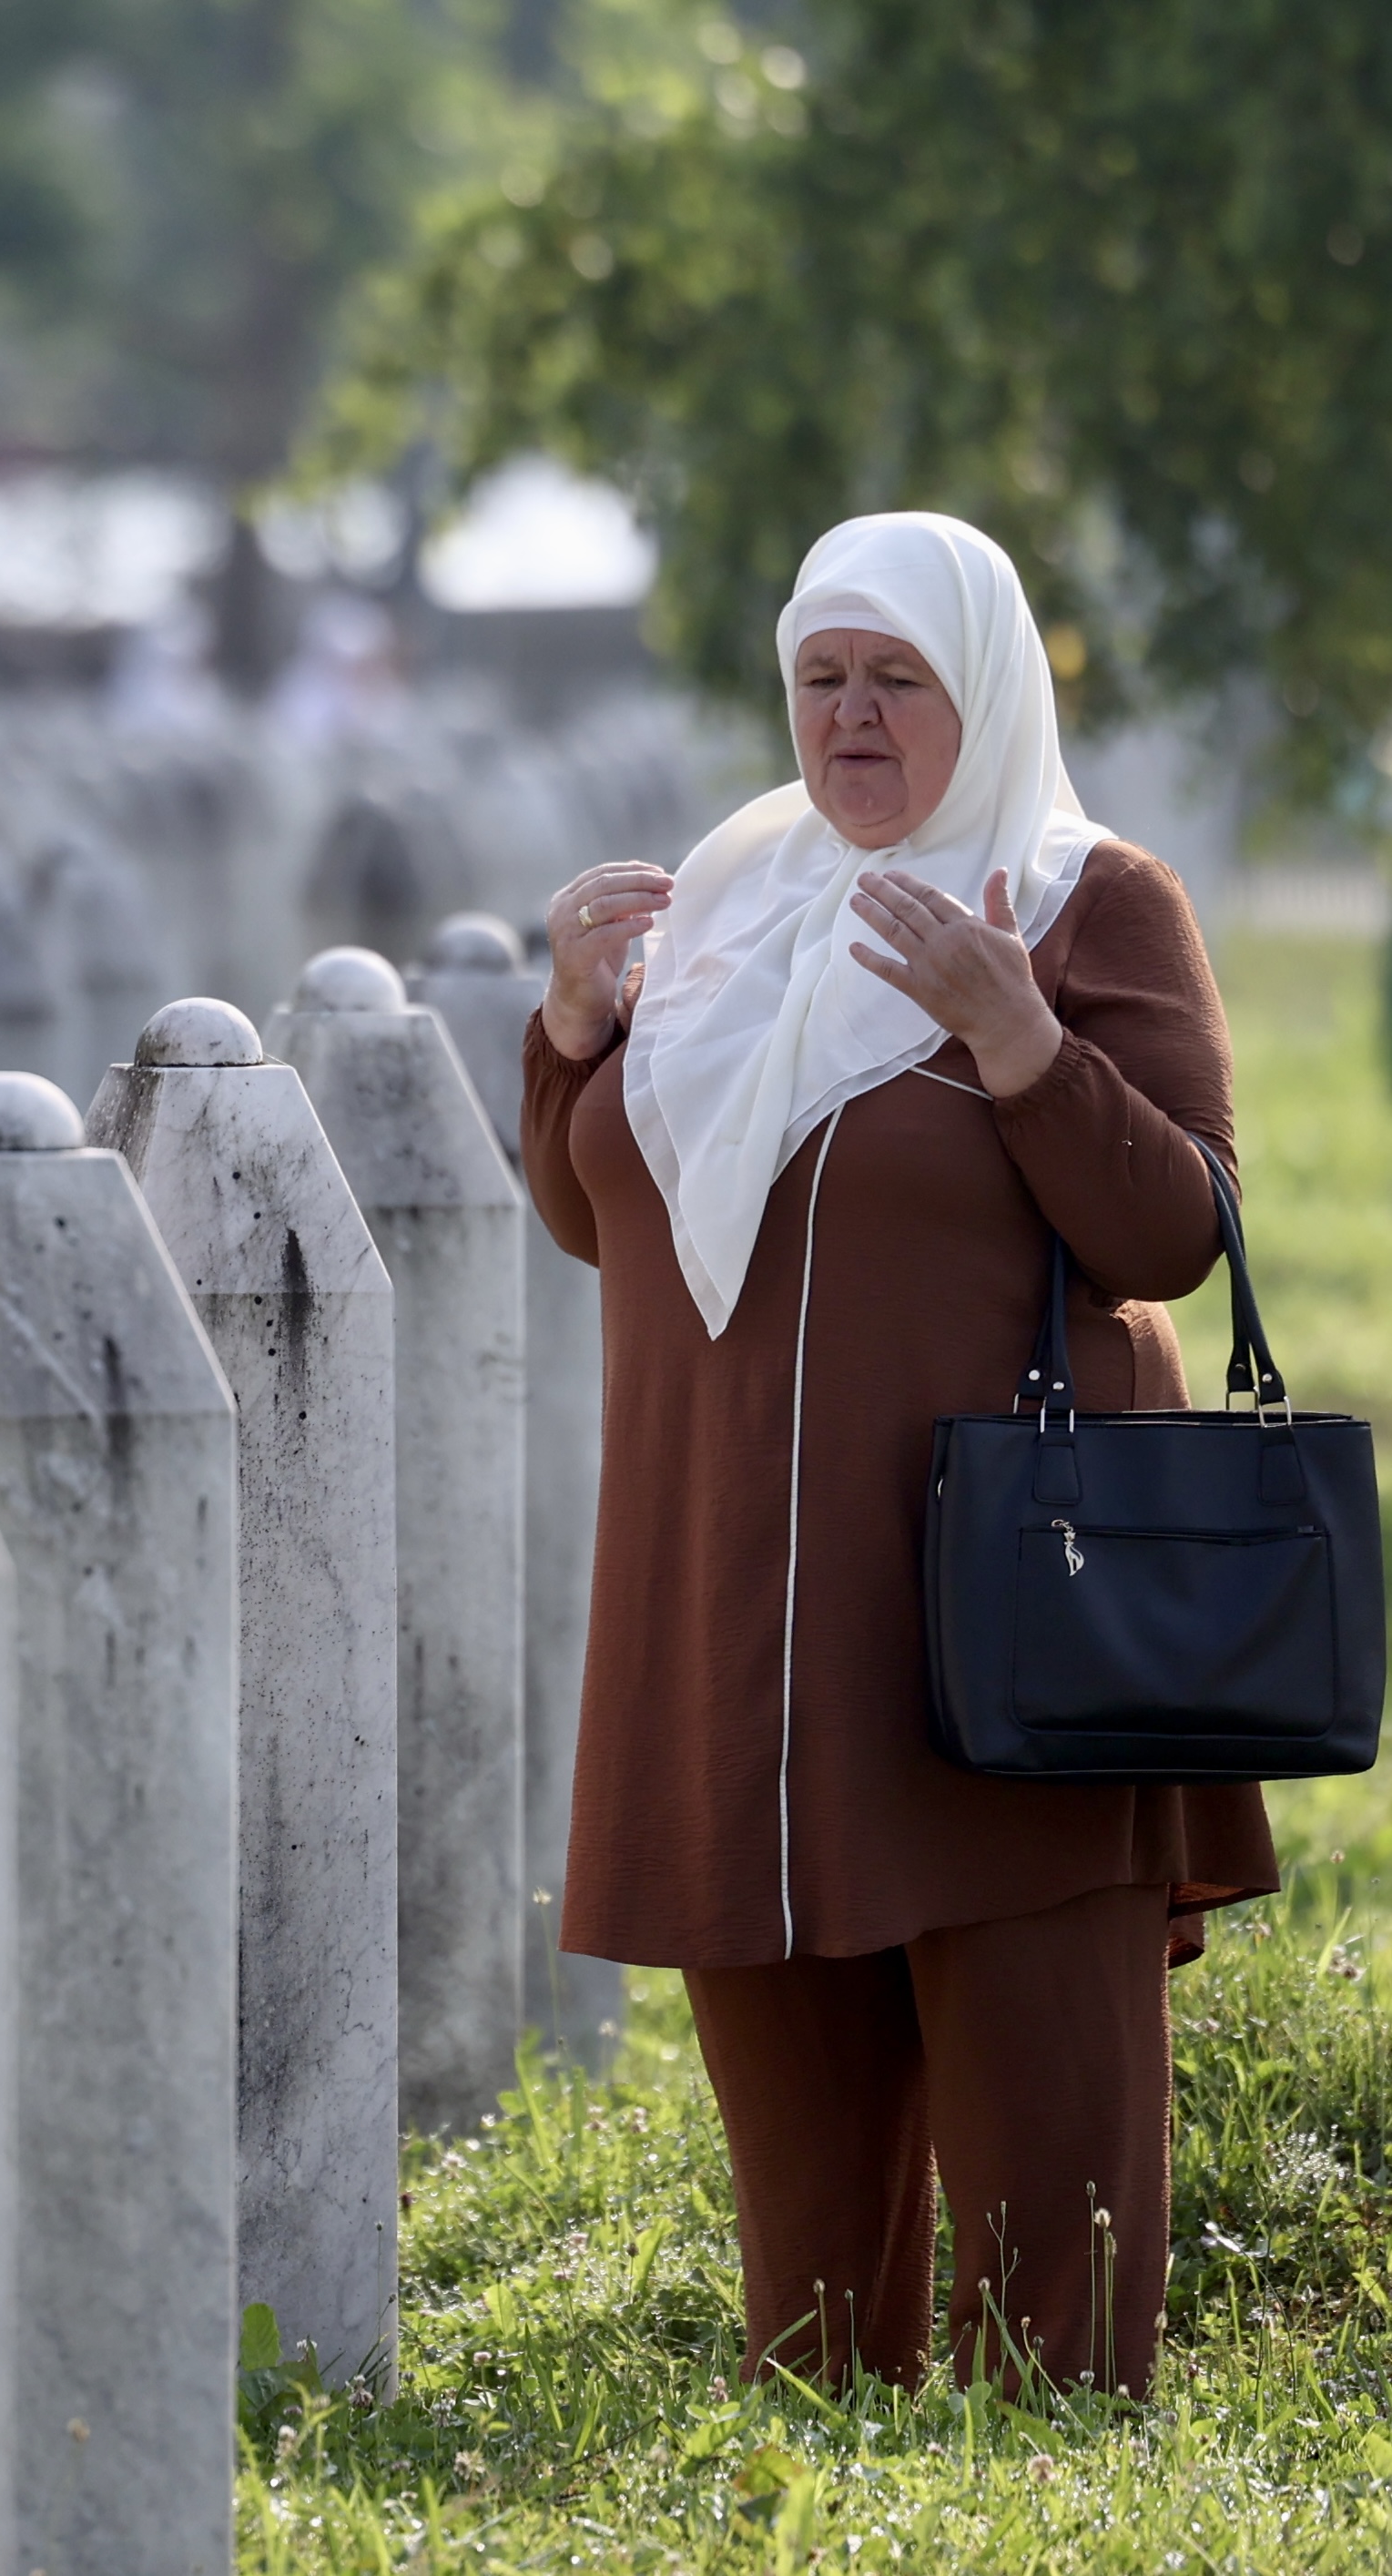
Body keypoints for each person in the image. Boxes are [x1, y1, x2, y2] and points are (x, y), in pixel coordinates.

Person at [524, 510, 1275, 2398]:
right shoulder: (728, 895)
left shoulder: (1090, 900)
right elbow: (611, 1212)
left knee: (1051, 2224)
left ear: (988, 689)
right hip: (740, 1592)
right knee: (801, 2268)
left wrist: (1017, 1035)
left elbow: (1175, 1230)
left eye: (897, 681)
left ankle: (1054, 2466)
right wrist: (564, 1035)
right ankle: (827, 2446)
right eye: (821, 680)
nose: (851, 718)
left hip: (1002, 1598)